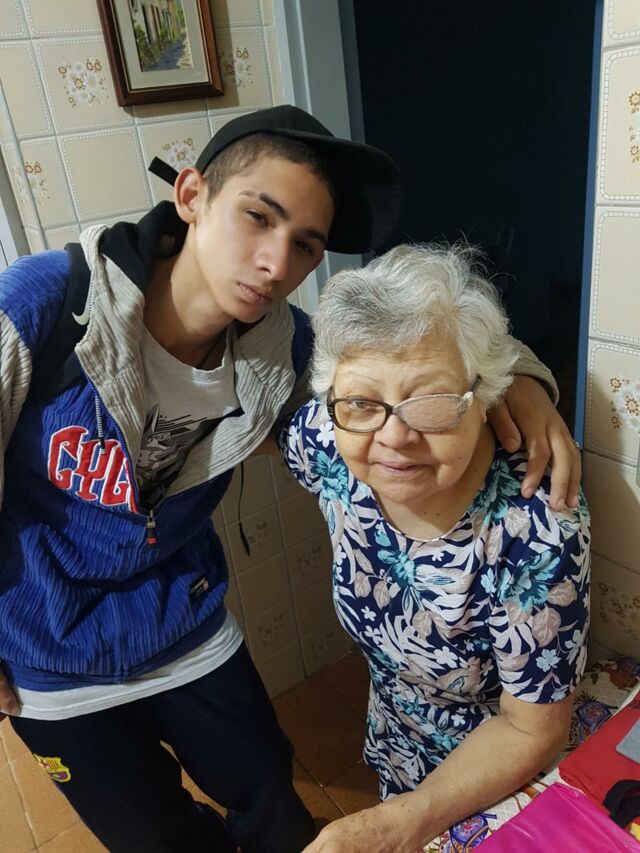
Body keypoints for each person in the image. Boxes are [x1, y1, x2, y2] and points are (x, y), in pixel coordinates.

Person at [0, 105, 579, 853]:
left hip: (184, 624)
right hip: (47, 652)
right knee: (149, 834)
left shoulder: (284, 350)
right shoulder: (46, 307)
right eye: (258, 216)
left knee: (270, 794)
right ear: (192, 194)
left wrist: (523, 381)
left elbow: (416, 362)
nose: (277, 264)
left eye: (305, 244)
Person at [275, 244, 590, 853]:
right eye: (362, 402)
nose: (394, 436)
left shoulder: (535, 529)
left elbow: (531, 729)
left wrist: (402, 824)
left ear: (486, 396)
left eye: (432, 402)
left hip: (497, 773)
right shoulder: (330, 441)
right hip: (396, 742)